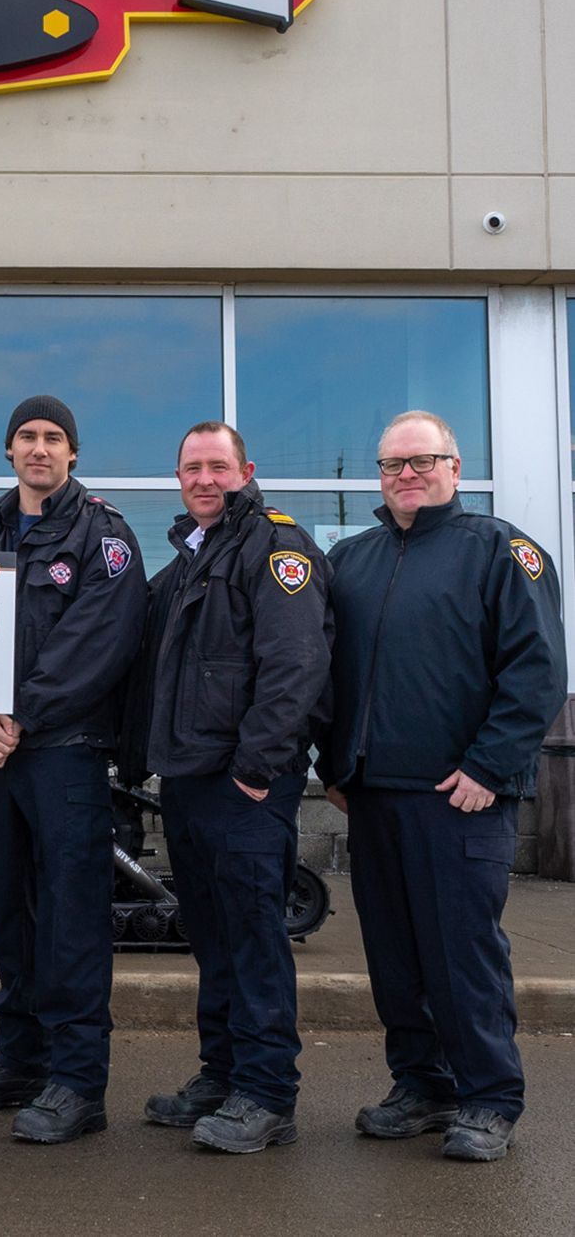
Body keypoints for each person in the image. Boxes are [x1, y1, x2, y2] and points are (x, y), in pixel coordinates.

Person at [322, 410, 566, 1162]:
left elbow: (537, 671)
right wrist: (334, 767)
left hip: (460, 797)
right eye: (392, 465)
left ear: (455, 467)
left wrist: (490, 767)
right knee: (396, 959)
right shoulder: (351, 558)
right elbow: (327, 672)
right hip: (372, 795)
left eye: (422, 460)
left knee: (462, 957)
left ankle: (488, 1098)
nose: (407, 475)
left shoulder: (501, 551)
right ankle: (422, 1086)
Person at [0, 395, 146, 1143]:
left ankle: (78, 1082)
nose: (40, 448)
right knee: (9, 910)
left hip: (64, 755)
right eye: (27, 436)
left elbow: (99, 643)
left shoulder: (104, 537)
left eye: (55, 437)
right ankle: (21, 1059)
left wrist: (11, 714)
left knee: (71, 918)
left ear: (74, 453)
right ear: (9, 450)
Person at [123, 422, 331, 1153]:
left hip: (243, 786)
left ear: (246, 469)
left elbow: (295, 666)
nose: (204, 479)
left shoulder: (277, 547)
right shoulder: (189, 555)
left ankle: (268, 1094)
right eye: (191, 468)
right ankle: (223, 1074)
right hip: (187, 779)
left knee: (252, 938)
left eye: (217, 467)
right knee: (211, 939)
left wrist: (255, 770)